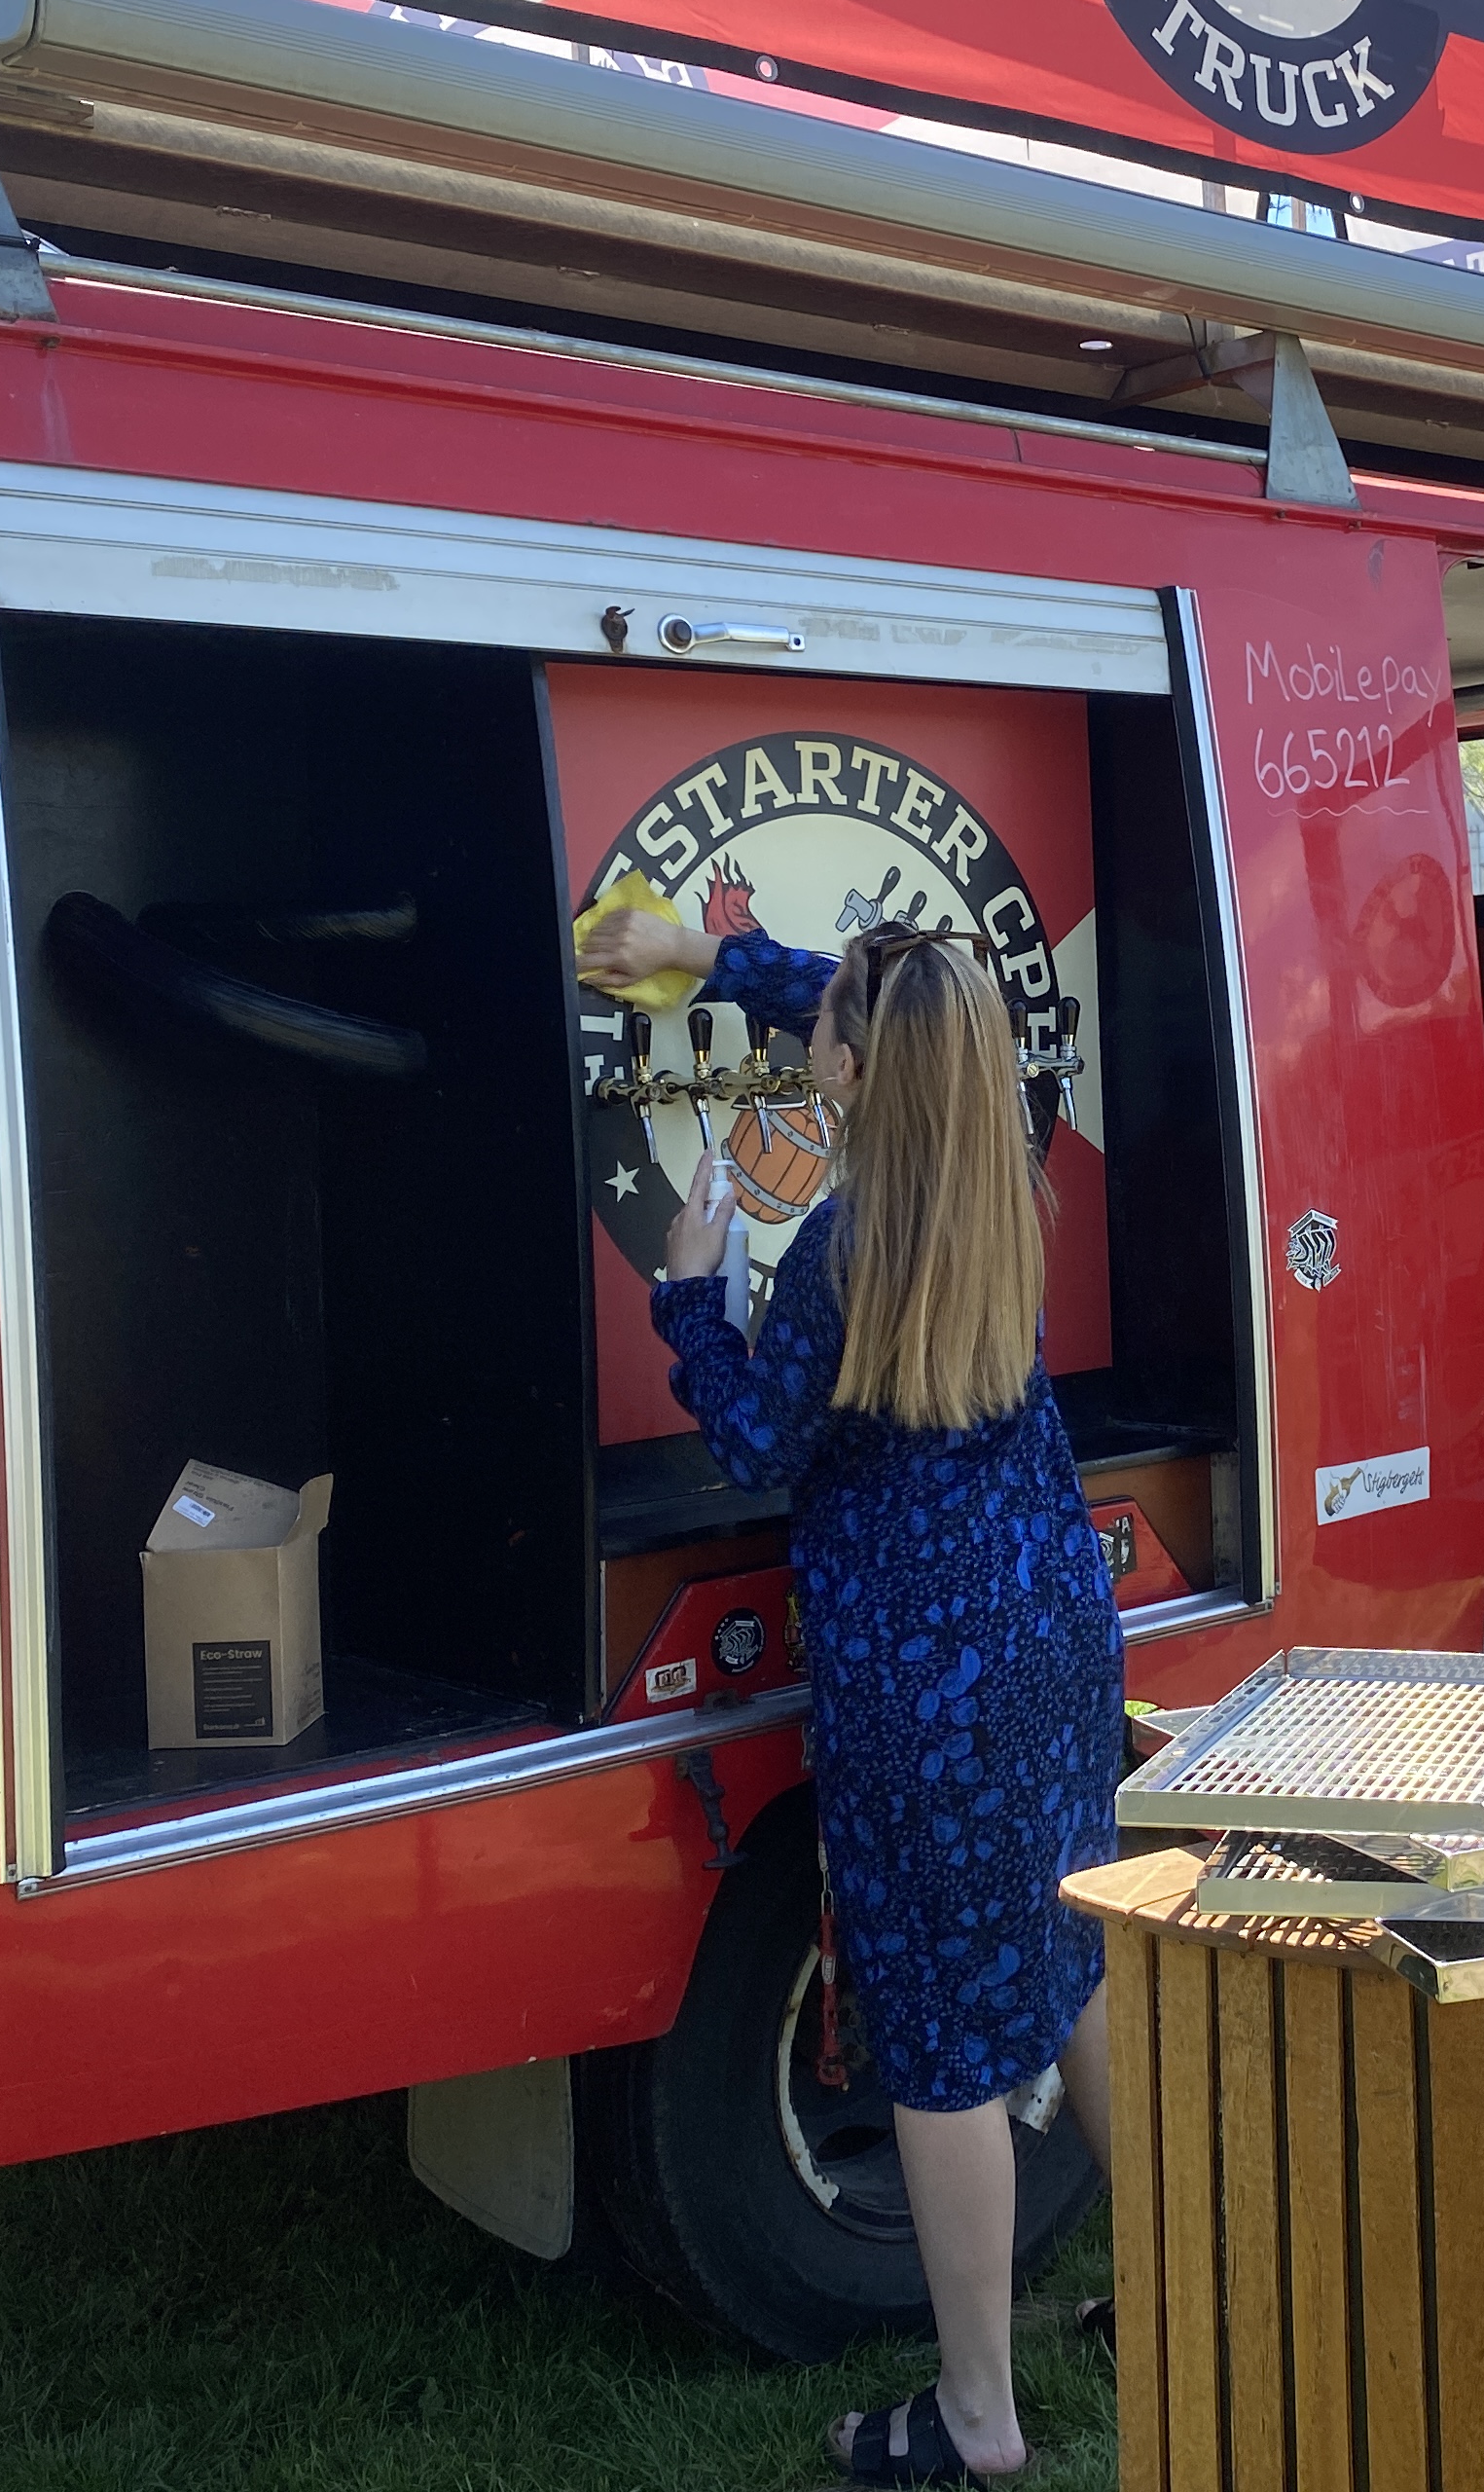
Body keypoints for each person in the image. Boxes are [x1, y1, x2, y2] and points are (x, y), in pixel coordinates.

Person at [578, 901, 1123, 2484]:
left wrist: (691, 1292)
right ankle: (1178, 2293)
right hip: (1051, 1642)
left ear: (855, 1070)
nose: (809, 1029)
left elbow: (760, 1442)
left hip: (926, 1689)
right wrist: (708, 956)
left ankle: (978, 2417)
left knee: (943, 2054)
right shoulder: (1002, 1180)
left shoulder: (840, 1248)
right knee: (1073, 1966)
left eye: (823, 1027)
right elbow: (889, 1004)